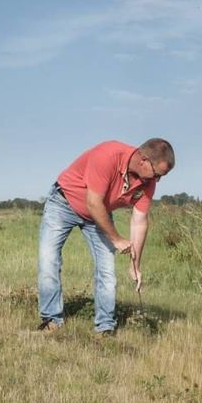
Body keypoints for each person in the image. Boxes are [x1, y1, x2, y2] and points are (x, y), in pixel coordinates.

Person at [36, 138, 175, 336]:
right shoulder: (108, 155)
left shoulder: (147, 181)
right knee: (48, 260)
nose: (157, 180)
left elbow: (139, 220)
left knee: (107, 270)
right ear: (143, 160)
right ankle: (51, 321)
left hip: (98, 216)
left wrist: (135, 265)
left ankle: (105, 327)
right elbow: (93, 203)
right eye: (158, 174)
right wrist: (117, 239)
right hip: (63, 203)